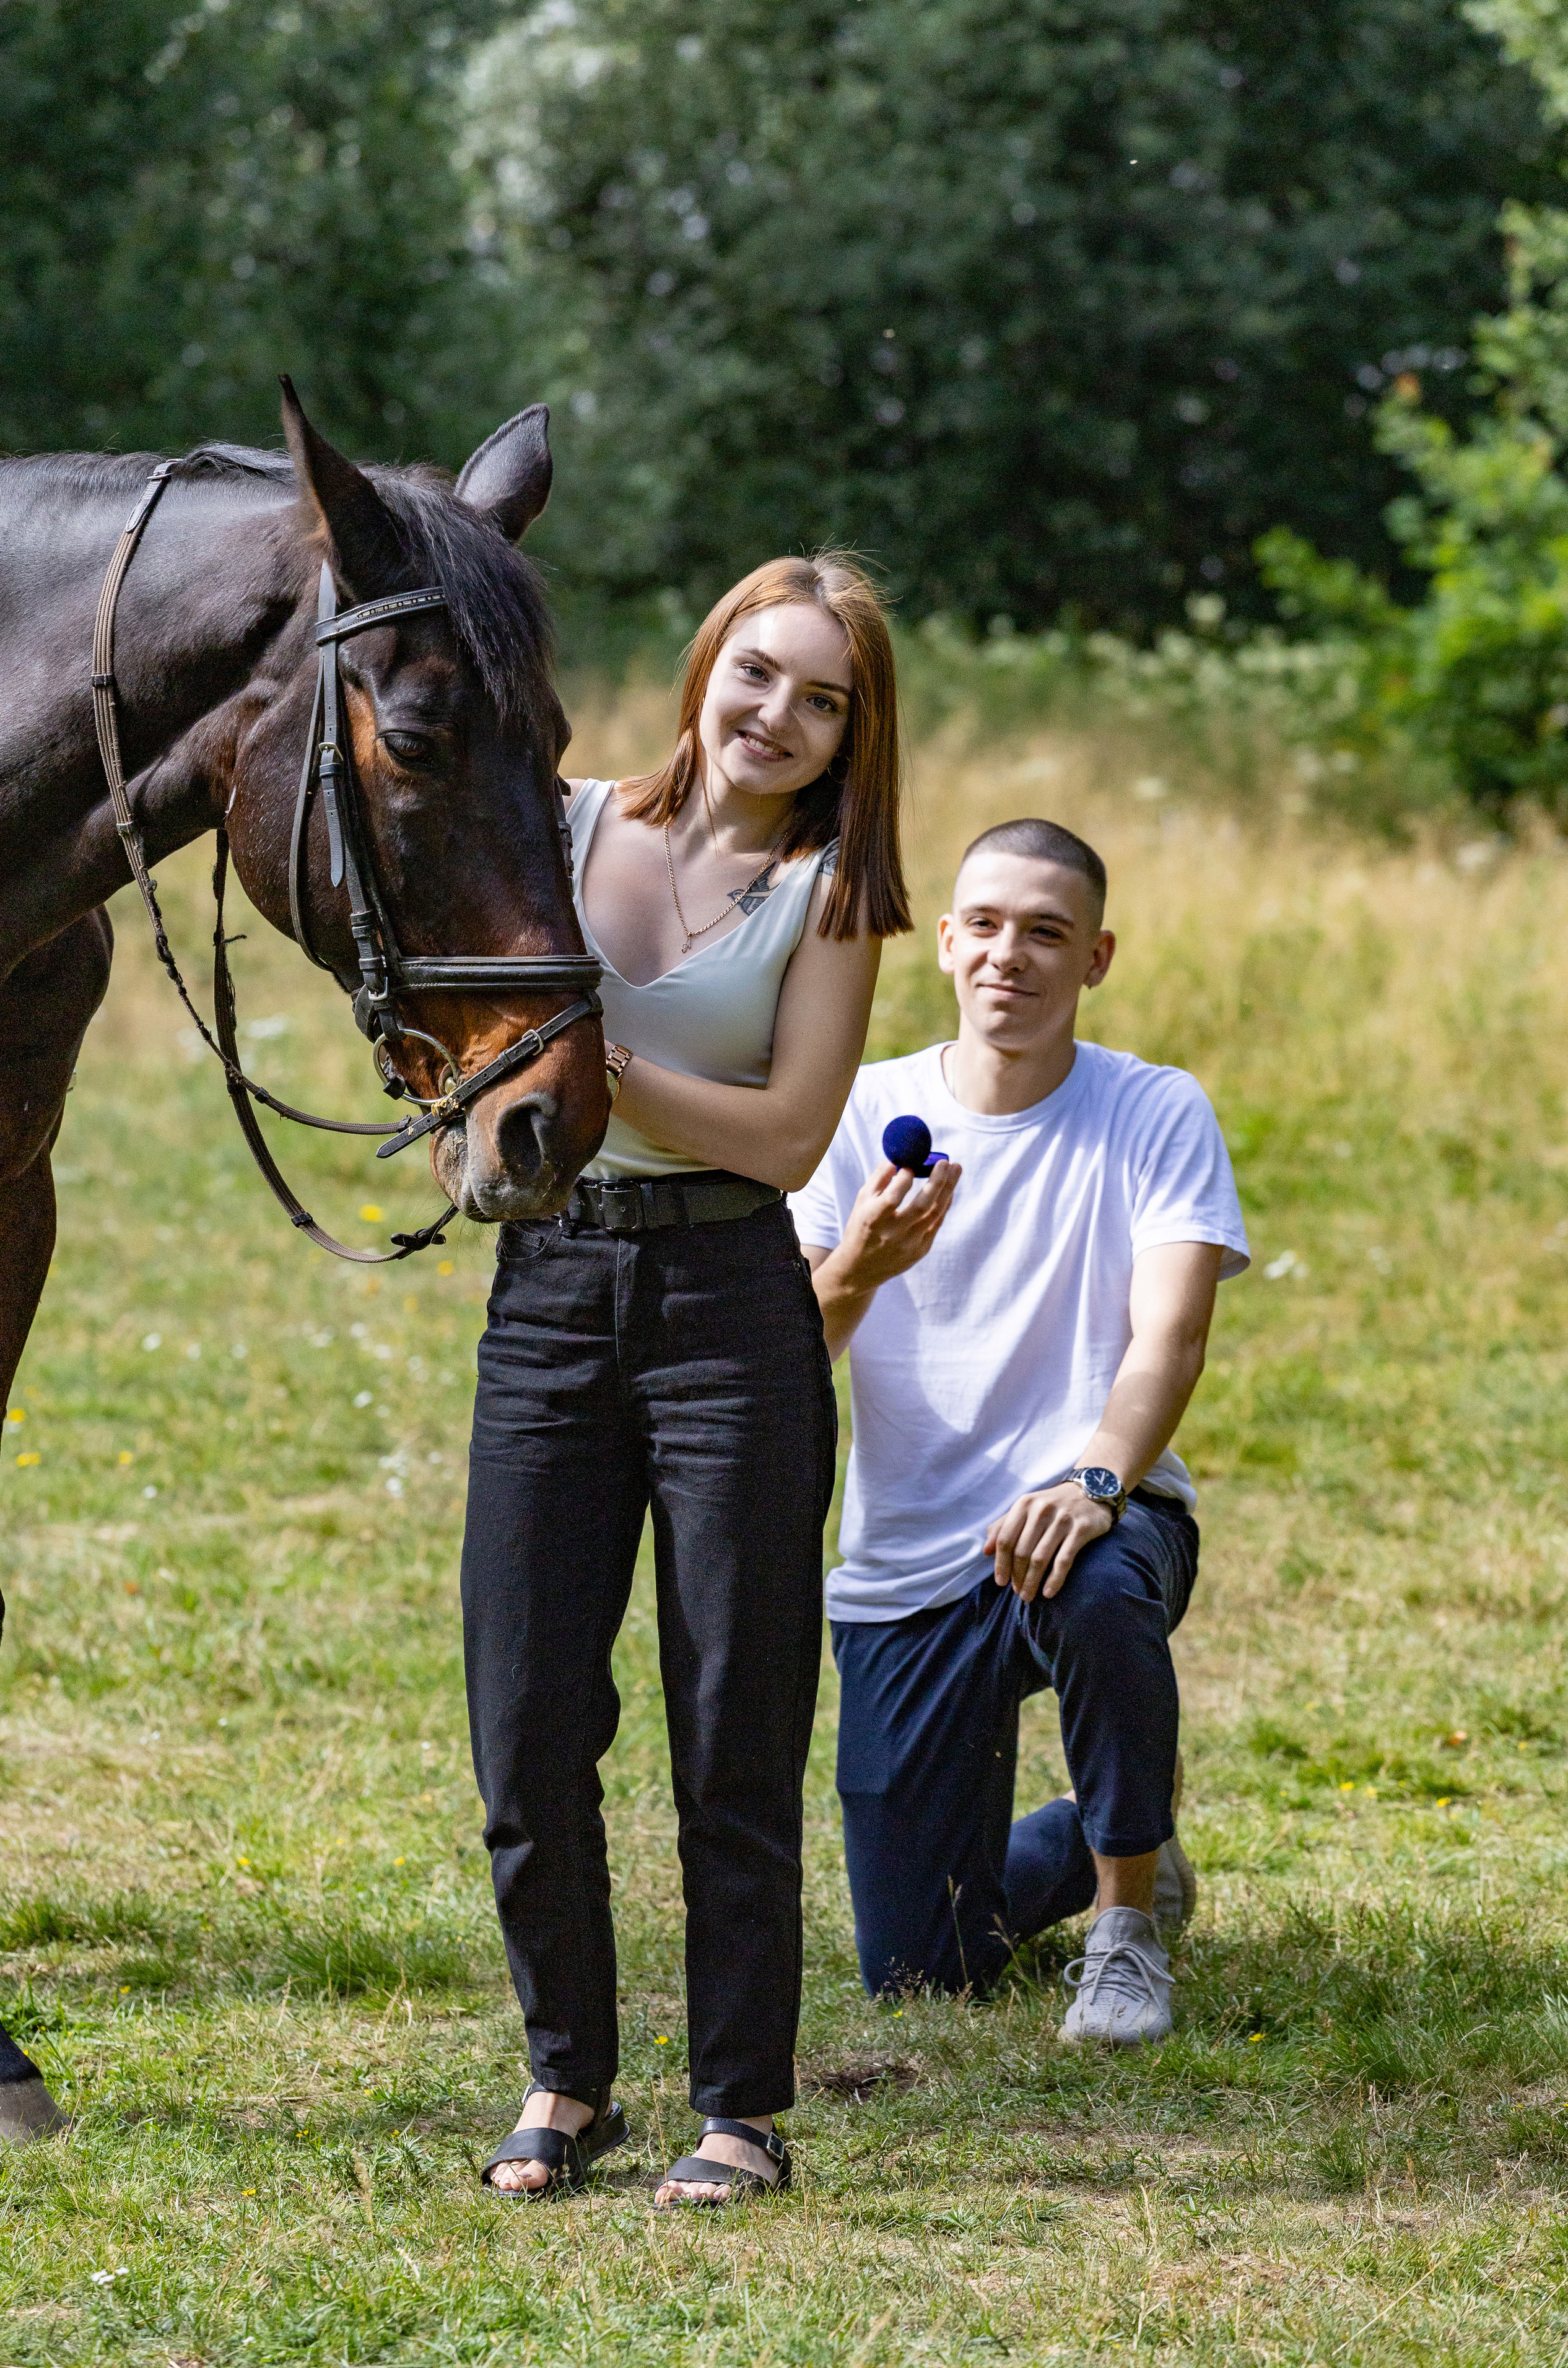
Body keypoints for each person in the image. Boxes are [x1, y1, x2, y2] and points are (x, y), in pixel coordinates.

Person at [462, 554, 910, 2205]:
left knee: (733, 1725)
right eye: (759, 673)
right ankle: (568, 2080)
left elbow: (791, 1134)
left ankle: (739, 2106)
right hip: (550, 1293)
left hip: (735, 1302)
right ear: (705, 663)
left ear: (856, 732)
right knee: (525, 1722)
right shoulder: (563, 821)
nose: (776, 716)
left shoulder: (836, 897)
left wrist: (589, 1054)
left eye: (822, 698)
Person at [788, 816, 1248, 2044]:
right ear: (942, 943)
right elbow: (795, 1349)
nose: (1011, 956)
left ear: (1093, 958)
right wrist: (860, 1267)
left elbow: (1170, 1336)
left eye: (1046, 933)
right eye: (985, 926)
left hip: (1095, 1508)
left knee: (1093, 1586)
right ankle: (1106, 1831)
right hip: (904, 1568)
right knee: (918, 1975)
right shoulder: (855, 1111)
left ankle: (1123, 1929)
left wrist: (1096, 1478)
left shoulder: (1152, 1110)